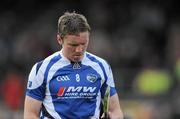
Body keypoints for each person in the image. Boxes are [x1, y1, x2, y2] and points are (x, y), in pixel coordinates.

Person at [24, 11, 123, 119]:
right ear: (59, 39)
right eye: (73, 45)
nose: (79, 50)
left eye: (84, 43)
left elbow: (115, 110)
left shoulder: (102, 66)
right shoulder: (42, 69)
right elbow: (30, 114)